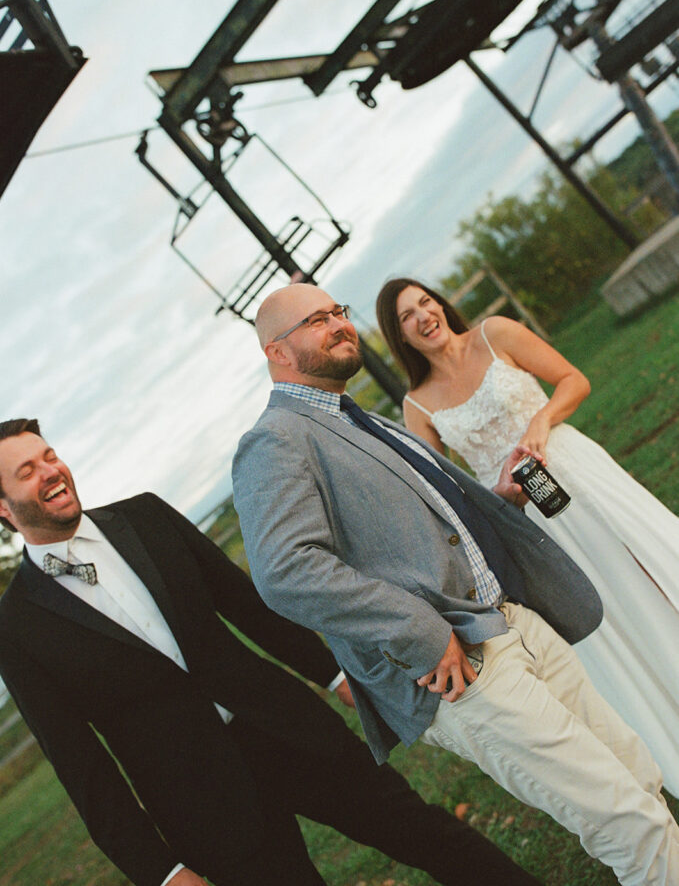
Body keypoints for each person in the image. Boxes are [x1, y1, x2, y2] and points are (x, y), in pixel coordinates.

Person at [233, 281, 679, 886]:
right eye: (316, 321)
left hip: (512, 621)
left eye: (339, 310)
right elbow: (285, 569)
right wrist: (418, 630)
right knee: (624, 820)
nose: (338, 324)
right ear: (277, 353)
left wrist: (494, 506)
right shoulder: (275, 439)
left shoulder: (355, 417)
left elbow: (416, 528)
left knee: (637, 777)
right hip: (460, 665)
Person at [0, 418, 547, 886]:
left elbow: (247, 605)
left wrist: (335, 676)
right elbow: (79, 762)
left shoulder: (145, 517)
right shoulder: (16, 626)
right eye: (27, 471)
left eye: (49, 456)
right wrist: (160, 872)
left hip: (289, 726)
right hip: (201, 802)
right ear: (4, 509)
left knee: (424, 832)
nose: (51, 470)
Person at [375, 276, 679, 797]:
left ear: (440, 304)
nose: (424, 316)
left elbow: (573, 380)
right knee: (600, 608)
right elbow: (447, 495)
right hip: (526, 518)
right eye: (407, 316)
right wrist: (498, 495)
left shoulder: (495, 334)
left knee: (647, 563)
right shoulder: (417, 407)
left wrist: (539, 422)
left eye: (425, 302)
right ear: (399, 336)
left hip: (576, 470)